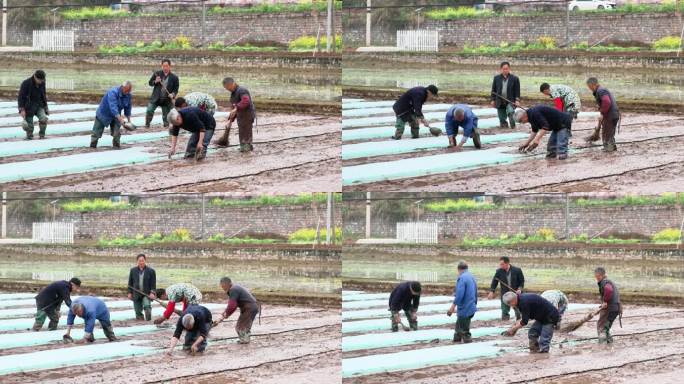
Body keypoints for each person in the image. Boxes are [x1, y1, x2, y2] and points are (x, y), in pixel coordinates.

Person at [212, 277, 260, 344]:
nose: (223, 288)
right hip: (250, 308)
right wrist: (224, 314)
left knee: (241, 326)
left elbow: (232, 306)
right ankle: (244, 339)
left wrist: (222, 317)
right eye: (221, 286)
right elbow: (231, 305)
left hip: (250, 308)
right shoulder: (235, 288)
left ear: (227, 284)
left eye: (223, 286)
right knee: (242, 325)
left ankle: (245, 340)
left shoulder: (233, 289)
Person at [90, 81, 133, 149]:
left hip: (116, 115)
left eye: (129, 91)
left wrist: (129, 121)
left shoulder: (128, 95)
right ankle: (92, 146)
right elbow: (113, 107)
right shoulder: (113, 92)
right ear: (122, 87)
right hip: (104, 113)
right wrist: (121, 120)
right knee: (96, 133)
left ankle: (116, 147)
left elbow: (128, 108)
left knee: (116, 133)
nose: (127, 92)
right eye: (126, 91)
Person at [218, 77, 256, 152]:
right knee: (242, 131)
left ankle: (246, 148)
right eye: (226, 88)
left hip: (247, 115)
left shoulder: (242, 90)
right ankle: (244, 147)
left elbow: (246, 101)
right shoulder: (233, 94)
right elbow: (234, 109)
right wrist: (230, 121)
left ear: (232, 84)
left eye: (227, 87)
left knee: (246, 131)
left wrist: (236, 108)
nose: (227, 89)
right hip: (241, 116)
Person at [447, 261, 478, 343]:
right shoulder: (471, 276)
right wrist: (475, 304)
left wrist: (452, 307)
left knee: (465, 330)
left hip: (465, 308)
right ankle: (457, 338)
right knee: (458, 327)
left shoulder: (462, 278)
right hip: (471, 306)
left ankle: (467, 343)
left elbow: (459, 294)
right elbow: (476, 292)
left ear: (459, 269)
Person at [586, 77, 620, 152]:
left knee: (606, 132)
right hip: (614, 114)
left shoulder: (601, 91)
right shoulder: (601, 90)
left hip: (610, 115)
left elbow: (607, 102)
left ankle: (609, 149)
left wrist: (602, 112)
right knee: (610, 132)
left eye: (590, 87)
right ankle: (612, 147)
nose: (590, 89)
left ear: (593, 85)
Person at [487, 256, 524, 321]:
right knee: (504, 310)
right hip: (505, 294)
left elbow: (522, 281)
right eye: (500, 264)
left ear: (507, 263)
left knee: (518, 310)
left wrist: (519, 289)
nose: (501, 266)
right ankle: (505, 322)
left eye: (502, 264)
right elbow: (494, 281)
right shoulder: (499, 271)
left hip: (515, 294)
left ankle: (519, 321)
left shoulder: (517, 270)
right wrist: (492, 291)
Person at [146, 58, 179, 128]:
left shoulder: (174, 77)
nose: (165, 68)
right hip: (155, 98)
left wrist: (172, 94)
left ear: (170, 66)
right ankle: (147, 124)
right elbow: (150, 83)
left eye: (166, 66)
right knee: (149, 110)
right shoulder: (157, 74)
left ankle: (166, 127)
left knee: (166, 119)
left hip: (166, 100)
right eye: (163, 66)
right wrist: (155, 81)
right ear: (162, 66)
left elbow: (176, 90)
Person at [17, 69, 49, 140]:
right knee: (29, 126)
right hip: (29, 107)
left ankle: (42, 135)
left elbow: (43, 94)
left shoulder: (43, 83)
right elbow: (20, 97)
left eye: (42, 80)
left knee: (43, 119)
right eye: (40, 80)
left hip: (39, 105)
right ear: (35, 77)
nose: (41, 82)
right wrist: (21, 109)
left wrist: (46, 106)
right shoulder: (26, 83)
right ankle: (29, 137)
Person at [594, 267, 622, 344]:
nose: (596, 278)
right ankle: (609, 343)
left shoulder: (605, 282)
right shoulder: (608, 281)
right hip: (616, 309)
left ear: (600, 275)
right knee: (606, 327)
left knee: (601, 326)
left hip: (611, 308)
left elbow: (609, 290)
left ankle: (602, 345)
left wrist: (605, 301)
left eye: (597, 276)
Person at [490, 62, 520, 129]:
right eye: (504, 69)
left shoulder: (515, 79)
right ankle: (504, 125)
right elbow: (493, 90)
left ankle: (513, 125)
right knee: (502, 118)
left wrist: (517, 100)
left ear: (509, 69)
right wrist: (492, 100)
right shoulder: (496, 78)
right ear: (501, 69)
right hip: (499, 100)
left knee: (511, 112)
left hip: (510, 100)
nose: (505, 70)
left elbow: (517, 91)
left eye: (506, 69)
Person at [127, 253, 157, 321]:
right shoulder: (133, 270)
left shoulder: (151, 271)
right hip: (136, 293)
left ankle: (148, 320)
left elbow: (153, 284)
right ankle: (141, 321)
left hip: (146, 293)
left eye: (142, 260)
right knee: (137, 311)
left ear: (145, 261)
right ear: (137, 261)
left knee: (147, 306)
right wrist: (129, 293)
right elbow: (130, 283)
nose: (141, 262)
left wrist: (152, 293)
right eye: (139, 261)